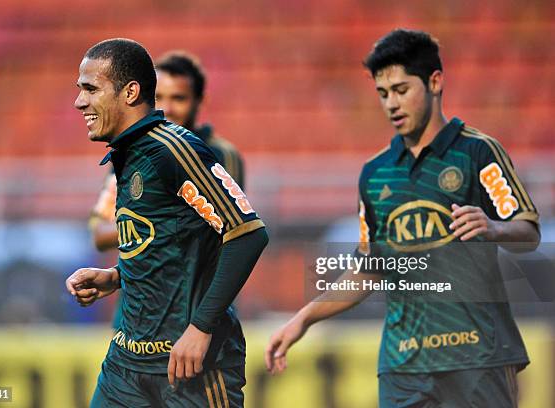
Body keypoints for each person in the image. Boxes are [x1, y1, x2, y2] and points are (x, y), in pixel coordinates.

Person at [265, 29, 540, 407]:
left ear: (435, 82)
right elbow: (368, 268)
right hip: (403, 364)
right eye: (383, 93)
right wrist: (304, 319)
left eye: (401, 89)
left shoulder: (478, 153)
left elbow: (528, 232)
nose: (391, 103)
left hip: (478, 357)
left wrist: (493, 227)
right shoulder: (375, 174)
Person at [66, 38, 268, 407]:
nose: (80, 101)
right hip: (127, 361)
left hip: (189, 365)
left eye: (90, 89)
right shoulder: (127, 153)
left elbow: (247, 234)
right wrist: (116, 277)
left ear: (129, 92)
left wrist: (201, 327)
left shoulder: (173, 149)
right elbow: (170, 240)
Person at [87, 52, 247, 330]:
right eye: (159, 98)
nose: (168, 108)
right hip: (135, 312)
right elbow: (100, 233)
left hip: (193, 311)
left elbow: (224, 232)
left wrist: (145, 222)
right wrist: (150, 222)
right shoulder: (128, 153)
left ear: (200, 101)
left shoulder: (221, 155)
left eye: (179, 98)